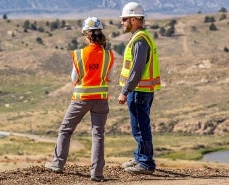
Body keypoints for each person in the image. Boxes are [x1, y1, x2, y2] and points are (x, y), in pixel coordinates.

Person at [44, 17, 114, 182]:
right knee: (98, 135)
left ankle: (57, 164)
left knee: (65, 130)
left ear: (87, 35)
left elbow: (74, 78)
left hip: (81, 98)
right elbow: (108, 77)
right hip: (101, 99)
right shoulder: (108, 55)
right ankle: (97, 174)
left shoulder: (80, 54)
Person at [117, 2, 161, 174]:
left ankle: (145, 163)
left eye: (125, 19)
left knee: (140, 129)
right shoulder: (143, 36)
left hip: (138, 92)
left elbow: (136, 70)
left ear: (134, 19)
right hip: (142, 91)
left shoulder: (140, 40)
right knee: (140, 127)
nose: (122, 22)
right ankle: (139, 157)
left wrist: (124, 91)